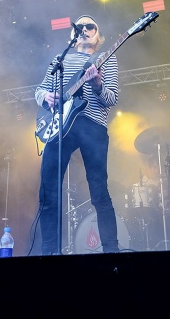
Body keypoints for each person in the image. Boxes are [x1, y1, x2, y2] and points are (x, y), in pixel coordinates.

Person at [35, 15, 120, 254]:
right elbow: (41, 89)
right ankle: (49, 251)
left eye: (90, 25)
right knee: (48, 190)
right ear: (73, 34)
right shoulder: (60, 60)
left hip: (92, 124)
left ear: (98, 35)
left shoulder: (106, 59)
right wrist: (46, 98)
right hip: (60, 126)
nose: (84, 28)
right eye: (80, 26)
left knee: (99, 190)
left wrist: (97, 85)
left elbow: (111, 99)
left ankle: (111, 251)